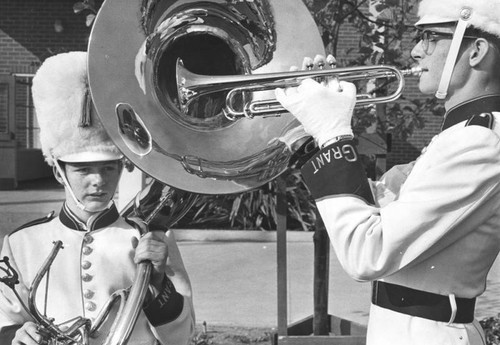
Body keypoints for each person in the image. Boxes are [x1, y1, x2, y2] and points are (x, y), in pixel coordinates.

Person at [276, 0, 500, 344]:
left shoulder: (479, 141)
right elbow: (372, 216)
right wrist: (312, 135)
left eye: (428, 37)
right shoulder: (461, 136)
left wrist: (334, 135)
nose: (415, 51)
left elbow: (367, 253)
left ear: (476, 51)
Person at [0, 52, 195, 345]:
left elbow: (182, 337)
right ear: (58, 171)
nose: (98, 181)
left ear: (122, 167)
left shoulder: (149, 236)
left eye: (108, 168)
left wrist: (157, 283)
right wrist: (17, 334)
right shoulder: (20, 243)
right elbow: (6, 322)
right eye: (83, 170)